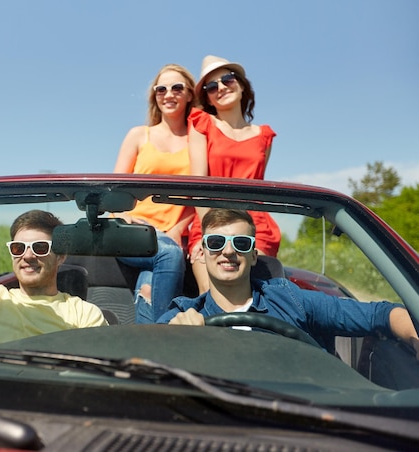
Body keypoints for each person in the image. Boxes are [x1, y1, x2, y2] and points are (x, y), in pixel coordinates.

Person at [157, 209, 419, 359]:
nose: (228, 252)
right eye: (215, 243)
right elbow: (138, 356)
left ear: (254, 255)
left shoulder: (291, 300)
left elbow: (382, 314)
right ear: (201, 253)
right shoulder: (184, 316)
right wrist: (173, 338)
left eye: (241, 243)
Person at [0, 149, 107, 348]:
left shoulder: (84, 314)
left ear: (61, 256)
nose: (28, 255)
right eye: (18, 248)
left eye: (40, 247)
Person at [187, 55, 281, 294]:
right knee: (212, 297)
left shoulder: (264, 136)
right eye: (211, 86)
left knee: (262, 300)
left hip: (256, 227)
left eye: (227, 79)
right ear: (207, 97)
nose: (220, 88)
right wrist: (209, 234)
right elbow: (198, 185)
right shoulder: (201, 123)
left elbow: (256, 185)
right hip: (211, 222)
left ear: (241, 84)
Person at [113, 64, 196, 323]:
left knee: (152, 278)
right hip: (131, 230)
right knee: (168, 254)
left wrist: (178, 229)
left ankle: (146, 350)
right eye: (161, 89)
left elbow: (199, 197)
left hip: (171, 235)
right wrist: (121, 215)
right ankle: (162, 337)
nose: (168, 94)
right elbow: (114, 189)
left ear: (190, 94)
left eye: (177, 88)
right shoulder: (139, 135)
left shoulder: (198, 140)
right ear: (154, 95)